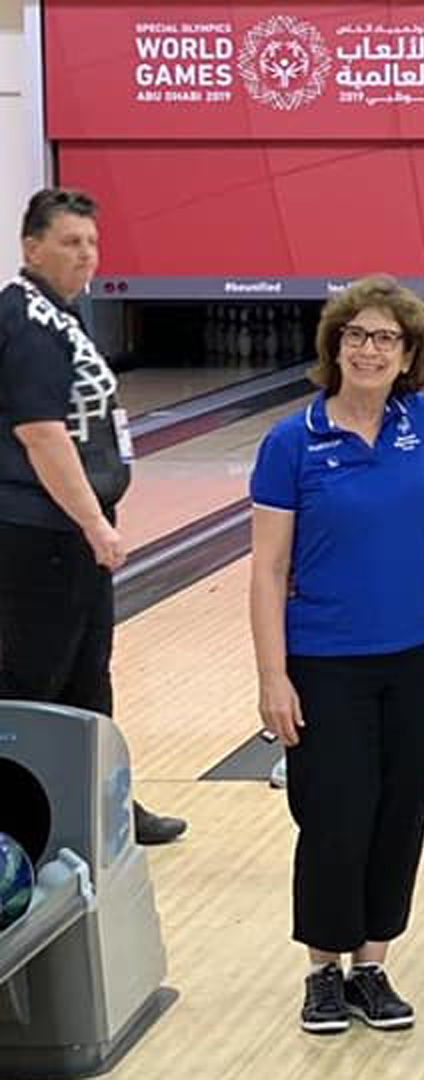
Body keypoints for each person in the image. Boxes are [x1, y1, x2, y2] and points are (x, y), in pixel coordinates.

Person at [249, 274, 424, 1034]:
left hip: (422, 653)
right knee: (333, 814)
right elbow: (268, 568)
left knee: (402, 811)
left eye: (385, 338)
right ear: (335, 347)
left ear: (409, 353)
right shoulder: (291, 441)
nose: (369, 349)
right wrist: (273, 677)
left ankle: (373, 964)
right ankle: (322, 972)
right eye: (356, 336)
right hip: (325, 660)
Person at [0, 188, 184, 847]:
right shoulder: (26, 321)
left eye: (92, 243)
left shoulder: (58, 314)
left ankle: (102, 808)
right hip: (42, 534)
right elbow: (42, 432)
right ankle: (18, 825)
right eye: (70, 242)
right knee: (34, 686)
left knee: (86, 677)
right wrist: (93, 523)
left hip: (66, 533)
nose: (86, 255)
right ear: (31, 247)